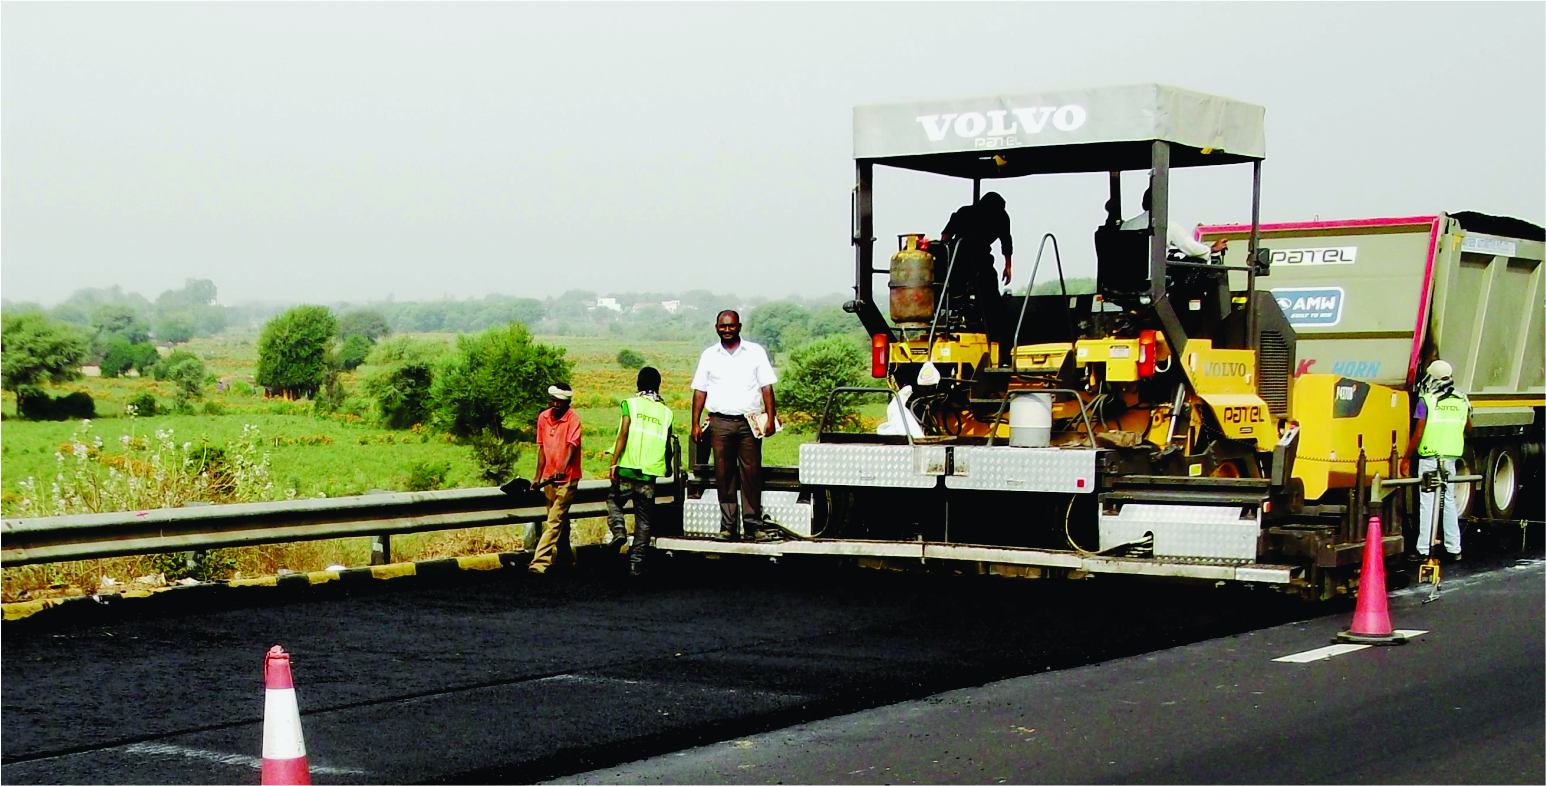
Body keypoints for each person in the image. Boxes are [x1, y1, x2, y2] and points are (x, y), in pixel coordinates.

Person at [691, 310, 780, 542]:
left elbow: (767, 387)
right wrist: (695, 424)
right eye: (723, 326)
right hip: (719, 423)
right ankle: (728, 527)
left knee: (751, 474)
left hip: (748, 422)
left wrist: (770, 418)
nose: (727, 330)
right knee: (724, 475)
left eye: (731, 326)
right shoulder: (709, 355)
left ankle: (752, 526)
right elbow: (700, 390)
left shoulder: (755, 352)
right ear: (716, 327)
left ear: (739, 327)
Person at [608, 366, 673, 576]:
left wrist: (613, 462)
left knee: (613, 500)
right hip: (649, 474)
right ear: (658, 386)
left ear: (638, 384)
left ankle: (618, 531)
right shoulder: (666, 412)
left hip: (627, 468)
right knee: (644, 522)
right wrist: (668, 467)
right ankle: (636, 565)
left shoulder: (631, 404)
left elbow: (624, 432)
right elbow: (667, 446)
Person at [1406, 359, 1472, 562]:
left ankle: (1424, 550)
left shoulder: (1427, 400)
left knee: (1428, 503)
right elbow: (1468, 427)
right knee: (1449, 502)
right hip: (1450, 458)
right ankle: (1454, 549)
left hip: (1430, 458)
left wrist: (1407, 456)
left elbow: (1419, 432)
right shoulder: (1462, 400)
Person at [940, 191, 1014, 347]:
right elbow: (1006, 240)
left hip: (955, 263)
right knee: (994, 305)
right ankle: (1000, 343)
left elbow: (945, 236)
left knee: (955, 295)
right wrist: (1008, 266)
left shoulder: (963, 211)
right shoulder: (999, 215)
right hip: (979, 262)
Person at [528, 382, 582, 575]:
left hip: (567, 479)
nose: (555, 404)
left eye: (560, 402)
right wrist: (538, 476)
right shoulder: (543, 417)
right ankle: (567, 559)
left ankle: (539, 563)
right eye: (553, 400)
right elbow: (541, 448)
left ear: (566, 403)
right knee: (560, 521)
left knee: (553, 520)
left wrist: (562, 468)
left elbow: (572, 446)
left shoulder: (573, 419)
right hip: (548, 479)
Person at [1120, 187, 1228, 261]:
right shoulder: (1166, 226)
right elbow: (1191, 248)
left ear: (1143, 204)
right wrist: (1212, 249)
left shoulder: (1125, 226)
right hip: (1154, 280)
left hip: (1127, 277)